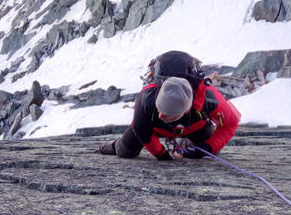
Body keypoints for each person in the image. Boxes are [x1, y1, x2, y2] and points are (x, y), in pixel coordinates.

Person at [98, 51, 241, 160]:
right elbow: (141, 129)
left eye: (168, 113)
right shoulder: (146, 98)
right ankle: (111, 146)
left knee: (209, 151)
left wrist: (207, 148)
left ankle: (185, 146)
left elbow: (231, 123)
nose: (160, 115)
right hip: (155, 128)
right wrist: (160, 154)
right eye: (160, 108)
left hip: (194, 126)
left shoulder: (209, 98)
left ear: (185, 111)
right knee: (126, 152)